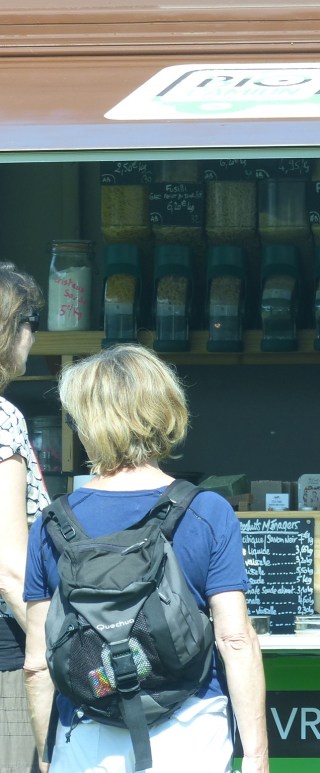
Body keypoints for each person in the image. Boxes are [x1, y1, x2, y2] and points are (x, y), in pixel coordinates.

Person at [22, 344, 269, 773]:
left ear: (87, 422)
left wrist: (49, 756)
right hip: (191, 733)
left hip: (86, 736)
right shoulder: (205, 511)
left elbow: (37, 664)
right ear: (166, 410)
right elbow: (235, 639)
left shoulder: (52, 524)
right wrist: (257, 756)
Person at [0, 263, 50, 773]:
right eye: (31, 322)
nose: (34, 336)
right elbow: (10, 568)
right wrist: (61, 647)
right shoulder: (1, 418)